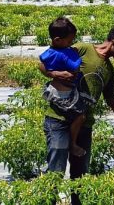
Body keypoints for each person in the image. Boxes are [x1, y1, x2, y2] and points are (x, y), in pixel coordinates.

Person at [40, 24, 114, 205]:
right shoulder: (83, 49)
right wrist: (55, 73)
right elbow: (45, 62)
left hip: (84, 125)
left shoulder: (109, 70)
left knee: (80, 177)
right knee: (56, 169)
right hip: (58, 120)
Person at [40, 17, 92, 158]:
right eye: (69, 41)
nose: (71, 44)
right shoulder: (62, 54)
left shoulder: (50, 53)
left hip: (56, 92)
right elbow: (75, 67)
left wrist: (52, 72)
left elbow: (41, 62)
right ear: (57, 40)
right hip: (64, 95)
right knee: (80, 116)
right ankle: (72, 144)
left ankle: (69, 142)